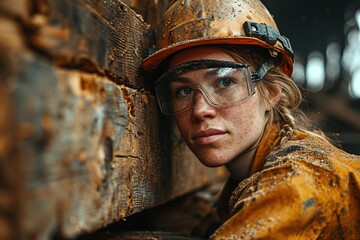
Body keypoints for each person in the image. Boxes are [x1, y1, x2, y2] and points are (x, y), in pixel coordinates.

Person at [141, 0, 360, 239]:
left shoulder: (297, 185)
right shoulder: (245, 180)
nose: (199, 110)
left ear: (271, 92)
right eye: (183, 91)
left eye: (225, 82)